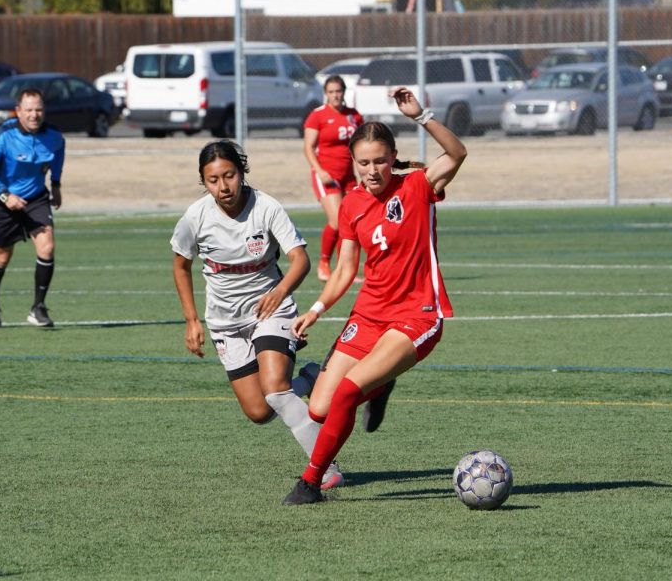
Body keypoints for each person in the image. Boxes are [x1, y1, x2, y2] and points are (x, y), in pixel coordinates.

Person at [282, 87, 467, 505]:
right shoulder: (351, 204)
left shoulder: (418, 184)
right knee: (319, 409)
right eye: (363, 162)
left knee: (347, 392)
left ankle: (309, 483)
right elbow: (346, 269)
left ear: (393, 156)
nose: (372, 170)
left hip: (416, 317)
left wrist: (422, 115)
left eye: (380, 160)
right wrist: (316, 309)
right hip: (367, 316)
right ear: (353, 163)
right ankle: (381, 386)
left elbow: (457, 154)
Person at [171, 140, 344, 489]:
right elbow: (181, 265)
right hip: (226, 323)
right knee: (260, 411)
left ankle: (326, 468)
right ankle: (314, 377)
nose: (223, 187)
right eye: (213, 180)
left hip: (272, 309)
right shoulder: (195, 217)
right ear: (204, 182)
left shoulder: (266, 207)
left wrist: (280, 291)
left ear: (242, 171)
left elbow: (300, 259)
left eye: (230, 176)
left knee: (276, 389)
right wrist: (192, 320)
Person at [0, 88, 65, 329]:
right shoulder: (4, 135)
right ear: (18, 111)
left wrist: (55, 184)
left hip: (36, 198)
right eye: (29, 110)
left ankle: (38, 307)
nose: (34, 115)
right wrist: (5, 195)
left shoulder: (54, 135)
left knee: (47, 247)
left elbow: (58, 154)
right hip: (4, 201)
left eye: (38, 110)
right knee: (2, 255)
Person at [303, 74, 364, 282]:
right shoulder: (317, 116)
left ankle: (342, 269)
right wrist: (319, 170)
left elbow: (360, 146)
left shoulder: (354, 115)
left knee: (351, 223)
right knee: (337, 222)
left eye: (339, 91)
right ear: (326, 94)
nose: (335, 95)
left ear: (344, 92)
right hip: (327, 175)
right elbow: (308, 147)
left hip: (348, 177)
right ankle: (323, 264)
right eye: (331, 92)